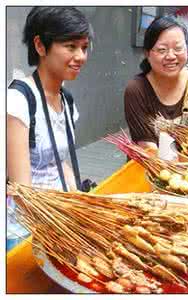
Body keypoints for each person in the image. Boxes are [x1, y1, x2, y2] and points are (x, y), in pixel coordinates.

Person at [7, 7, 90, 247]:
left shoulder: (67, 100)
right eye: (71, 46)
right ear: (40, 46)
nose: (81, 56)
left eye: (84, 47)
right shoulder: (18, 100)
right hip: (24, 231)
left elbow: (60, 161)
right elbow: (23, 192)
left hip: (59, 218)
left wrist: (78, 201)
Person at [124, 16, 188, 150]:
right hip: (151, 165)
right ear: (147, 54)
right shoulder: (136, 89)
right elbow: (147, 146)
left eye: (178, 48)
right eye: (162, 50)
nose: (171, 56)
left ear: (186, 50)